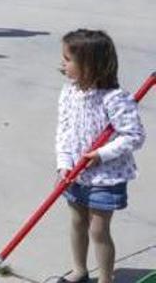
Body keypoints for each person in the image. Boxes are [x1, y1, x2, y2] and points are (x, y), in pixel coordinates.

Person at [55, 29, 145, 283]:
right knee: (77, 221)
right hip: (75, 173)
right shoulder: (69, 91)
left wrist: (102, 154)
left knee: (98, 229)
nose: (63, 63)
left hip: (107, 175)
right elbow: (63, 130)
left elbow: (134, 135)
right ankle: (79, 271)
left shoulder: (115, 99)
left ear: (90, 65)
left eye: (68, 58)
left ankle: (106, 279)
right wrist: (63, 162)